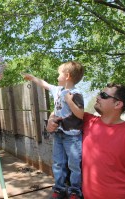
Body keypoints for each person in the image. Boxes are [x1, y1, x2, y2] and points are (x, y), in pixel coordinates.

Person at [46, 83, 125, 199]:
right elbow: (59, 109)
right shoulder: (87, 121)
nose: (98, 97)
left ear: (118, 104)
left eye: (103, 95)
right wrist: (51, 120)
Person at [23, 61, 85, 199]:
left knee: (74, 165)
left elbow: (80, 114)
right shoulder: (58, 90)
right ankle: (59, 188)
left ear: (67, 76)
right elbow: (44, 83)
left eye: (59, 74)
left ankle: (75, 190)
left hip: (72, 137)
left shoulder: (75, 93)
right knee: (58, 163)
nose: (57, 76)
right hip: (58, 134)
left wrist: (69, 102)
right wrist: (32, 78)